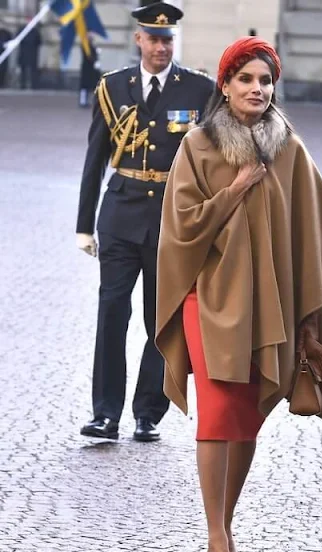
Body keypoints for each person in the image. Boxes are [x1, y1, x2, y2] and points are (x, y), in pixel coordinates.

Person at [155, 37, 322, 552]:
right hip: (211, 300)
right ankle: (218, 542)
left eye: (265, 81)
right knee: (217, 413)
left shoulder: (288, 148)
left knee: (245, 420)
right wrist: (235, 190)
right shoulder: (198, 145)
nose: (256, 89)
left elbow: (312, 232)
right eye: (245, 79)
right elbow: (181, 229)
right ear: (225, 86)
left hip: (269, 305)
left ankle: (222, 527)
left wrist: (309, 315)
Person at [76, 2, 215, 442]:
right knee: (112, 312)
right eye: (154, 38)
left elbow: (210, 159)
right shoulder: (114, 86)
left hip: (171, 220)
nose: (161, 46)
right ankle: (105, 414)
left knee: (162, 319)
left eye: (167, 38)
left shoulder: (198, 89)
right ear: (139, 39)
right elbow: (96, 157)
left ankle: (148, 412)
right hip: (119, 213)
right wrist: (83, 224)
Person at [78, 34, 101, 108]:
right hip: (87, 68)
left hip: (91, 69)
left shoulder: (91, 45)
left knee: (89, 85)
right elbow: (89, 56)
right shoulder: (85, 46)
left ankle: (86, 101)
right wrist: (94, 61)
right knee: (84, 86)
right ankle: (82, 101)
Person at [17, 20, 40, 90]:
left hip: (28, 54)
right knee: (26, 71)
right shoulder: (24, 30)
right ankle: (26, 85)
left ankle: (29, 85)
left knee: (30, 71)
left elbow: (39, 42)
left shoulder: (34, 31)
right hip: (29, 54)